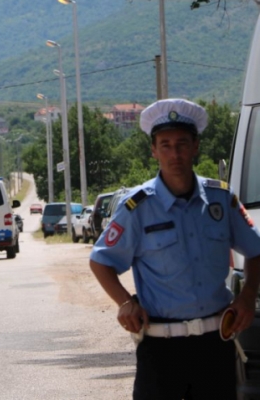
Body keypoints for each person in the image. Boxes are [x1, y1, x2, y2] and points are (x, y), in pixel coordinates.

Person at [89, 98, 260, 399]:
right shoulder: (137, 207)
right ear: (153, 150)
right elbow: (101, 261)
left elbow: (256, 250)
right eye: (165, 144)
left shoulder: (222, 200)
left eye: (182, 143)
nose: (174, 153)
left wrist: (247, 297)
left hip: (214, 344)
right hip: (160, 350)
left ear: (196, 146)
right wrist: (125, 302)